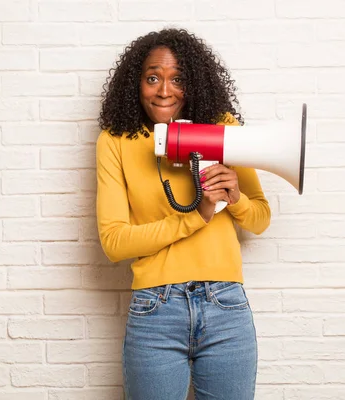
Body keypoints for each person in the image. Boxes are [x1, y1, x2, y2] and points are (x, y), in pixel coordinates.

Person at [95, 28, 271, 400]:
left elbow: (260, 217)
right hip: (154, 310)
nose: (164, 91)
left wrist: (235, 196)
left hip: (226, 307)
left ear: (195, 83)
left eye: (178, 79)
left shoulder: (221, 128)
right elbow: (114, 242)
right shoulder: (116, 140)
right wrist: (197, 214)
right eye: (153, 77)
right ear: (136, 83)